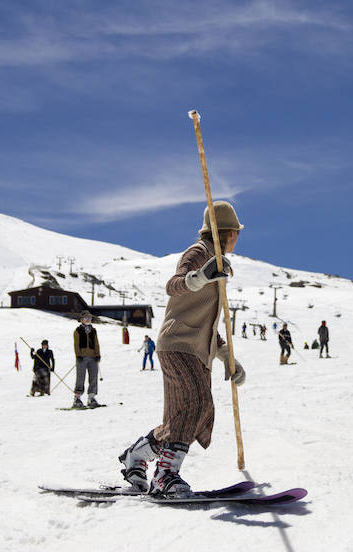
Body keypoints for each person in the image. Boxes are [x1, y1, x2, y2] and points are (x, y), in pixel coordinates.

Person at [117, 201, 246, 497]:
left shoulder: (220, 264)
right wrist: (199, 277)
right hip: (178, 344)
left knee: (188, 415)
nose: (237, 238)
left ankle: (136, 456)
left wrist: (227, 358)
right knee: (197, 403)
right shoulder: (199, 253)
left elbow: (206, 322)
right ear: (228, 233)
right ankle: (166, 475)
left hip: (195, 350)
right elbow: (174, 285)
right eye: (236, 233)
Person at [73, 310, 101, 408]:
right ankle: (77, 398)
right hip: (82, 357)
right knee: (80, 377)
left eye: (89, 318)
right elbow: (76, 344)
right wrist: (78, 355)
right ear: (81, 319)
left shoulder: (93, 330)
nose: (88, 319)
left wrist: (97, 354)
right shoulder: (78, 330)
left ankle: (91, 397)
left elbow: (96, 343)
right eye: (86, 318)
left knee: (93, 377)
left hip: (93, 357)